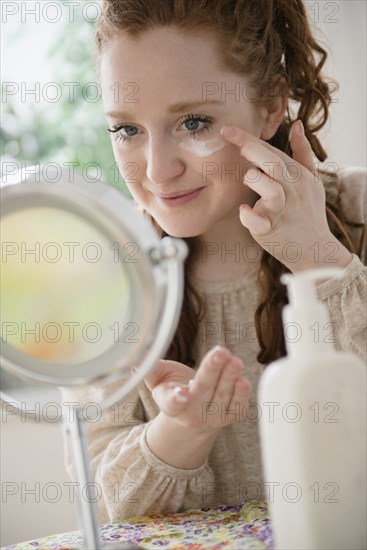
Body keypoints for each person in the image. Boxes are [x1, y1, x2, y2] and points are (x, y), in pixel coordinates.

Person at [63, 0, 366, 523]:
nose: (157, 171)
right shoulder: (107, 281)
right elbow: (105, 508)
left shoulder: (359, 211)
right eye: (126, 130)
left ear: (272, 103)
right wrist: (180, 432)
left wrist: (318, 259)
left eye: (194, 121)